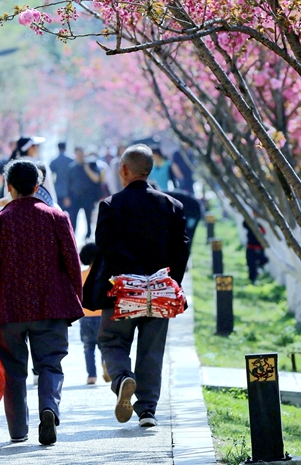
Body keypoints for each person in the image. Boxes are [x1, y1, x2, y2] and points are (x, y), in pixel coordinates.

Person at [0, 159, 84, 446]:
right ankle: (49, 408)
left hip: (7, 312)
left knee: (13, 372)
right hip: (51, 307)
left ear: (8, 187)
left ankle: (18, 431)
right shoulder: (57, 218)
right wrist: (75, 300)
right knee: (51, 365)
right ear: (37, 186)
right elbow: (73, 263)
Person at [83, 144, 190, 428]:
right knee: (151, 351)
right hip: (160, 293)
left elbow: (105, 246)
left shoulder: (109, 205)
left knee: (111, 340)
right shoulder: (172, 206)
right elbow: (181, 251)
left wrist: (129, 277)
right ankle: (147, 411)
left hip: (121, 293)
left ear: (124, 170)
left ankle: (121, 379)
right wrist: (167, 282)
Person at [78, 243, 110, 385]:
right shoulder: (104, 275)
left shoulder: (81, 275)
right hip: (102, 316)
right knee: (104, 345)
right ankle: (107, 366)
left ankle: (91, 375)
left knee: (88, 347)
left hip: (85, 317)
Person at [66, 147, 104, 238]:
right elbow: (68, 183)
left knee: (88, 217)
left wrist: (87, 168)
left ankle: (88, 235)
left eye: (81, 153)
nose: (79, 155)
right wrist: (67, 197)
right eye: (77, 153)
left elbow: (97, 179)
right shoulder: (71, 167)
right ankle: (73, 235)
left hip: (88, 196)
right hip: (75, 196)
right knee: (73, 217)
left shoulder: (91, 165)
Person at [49, 142, 74, 208]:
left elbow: (51, 176)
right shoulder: (72, 159)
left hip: (58, 189)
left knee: (59, 210)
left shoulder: (54, 161)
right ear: (65, 148)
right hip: (71, 189)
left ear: (58, 148)